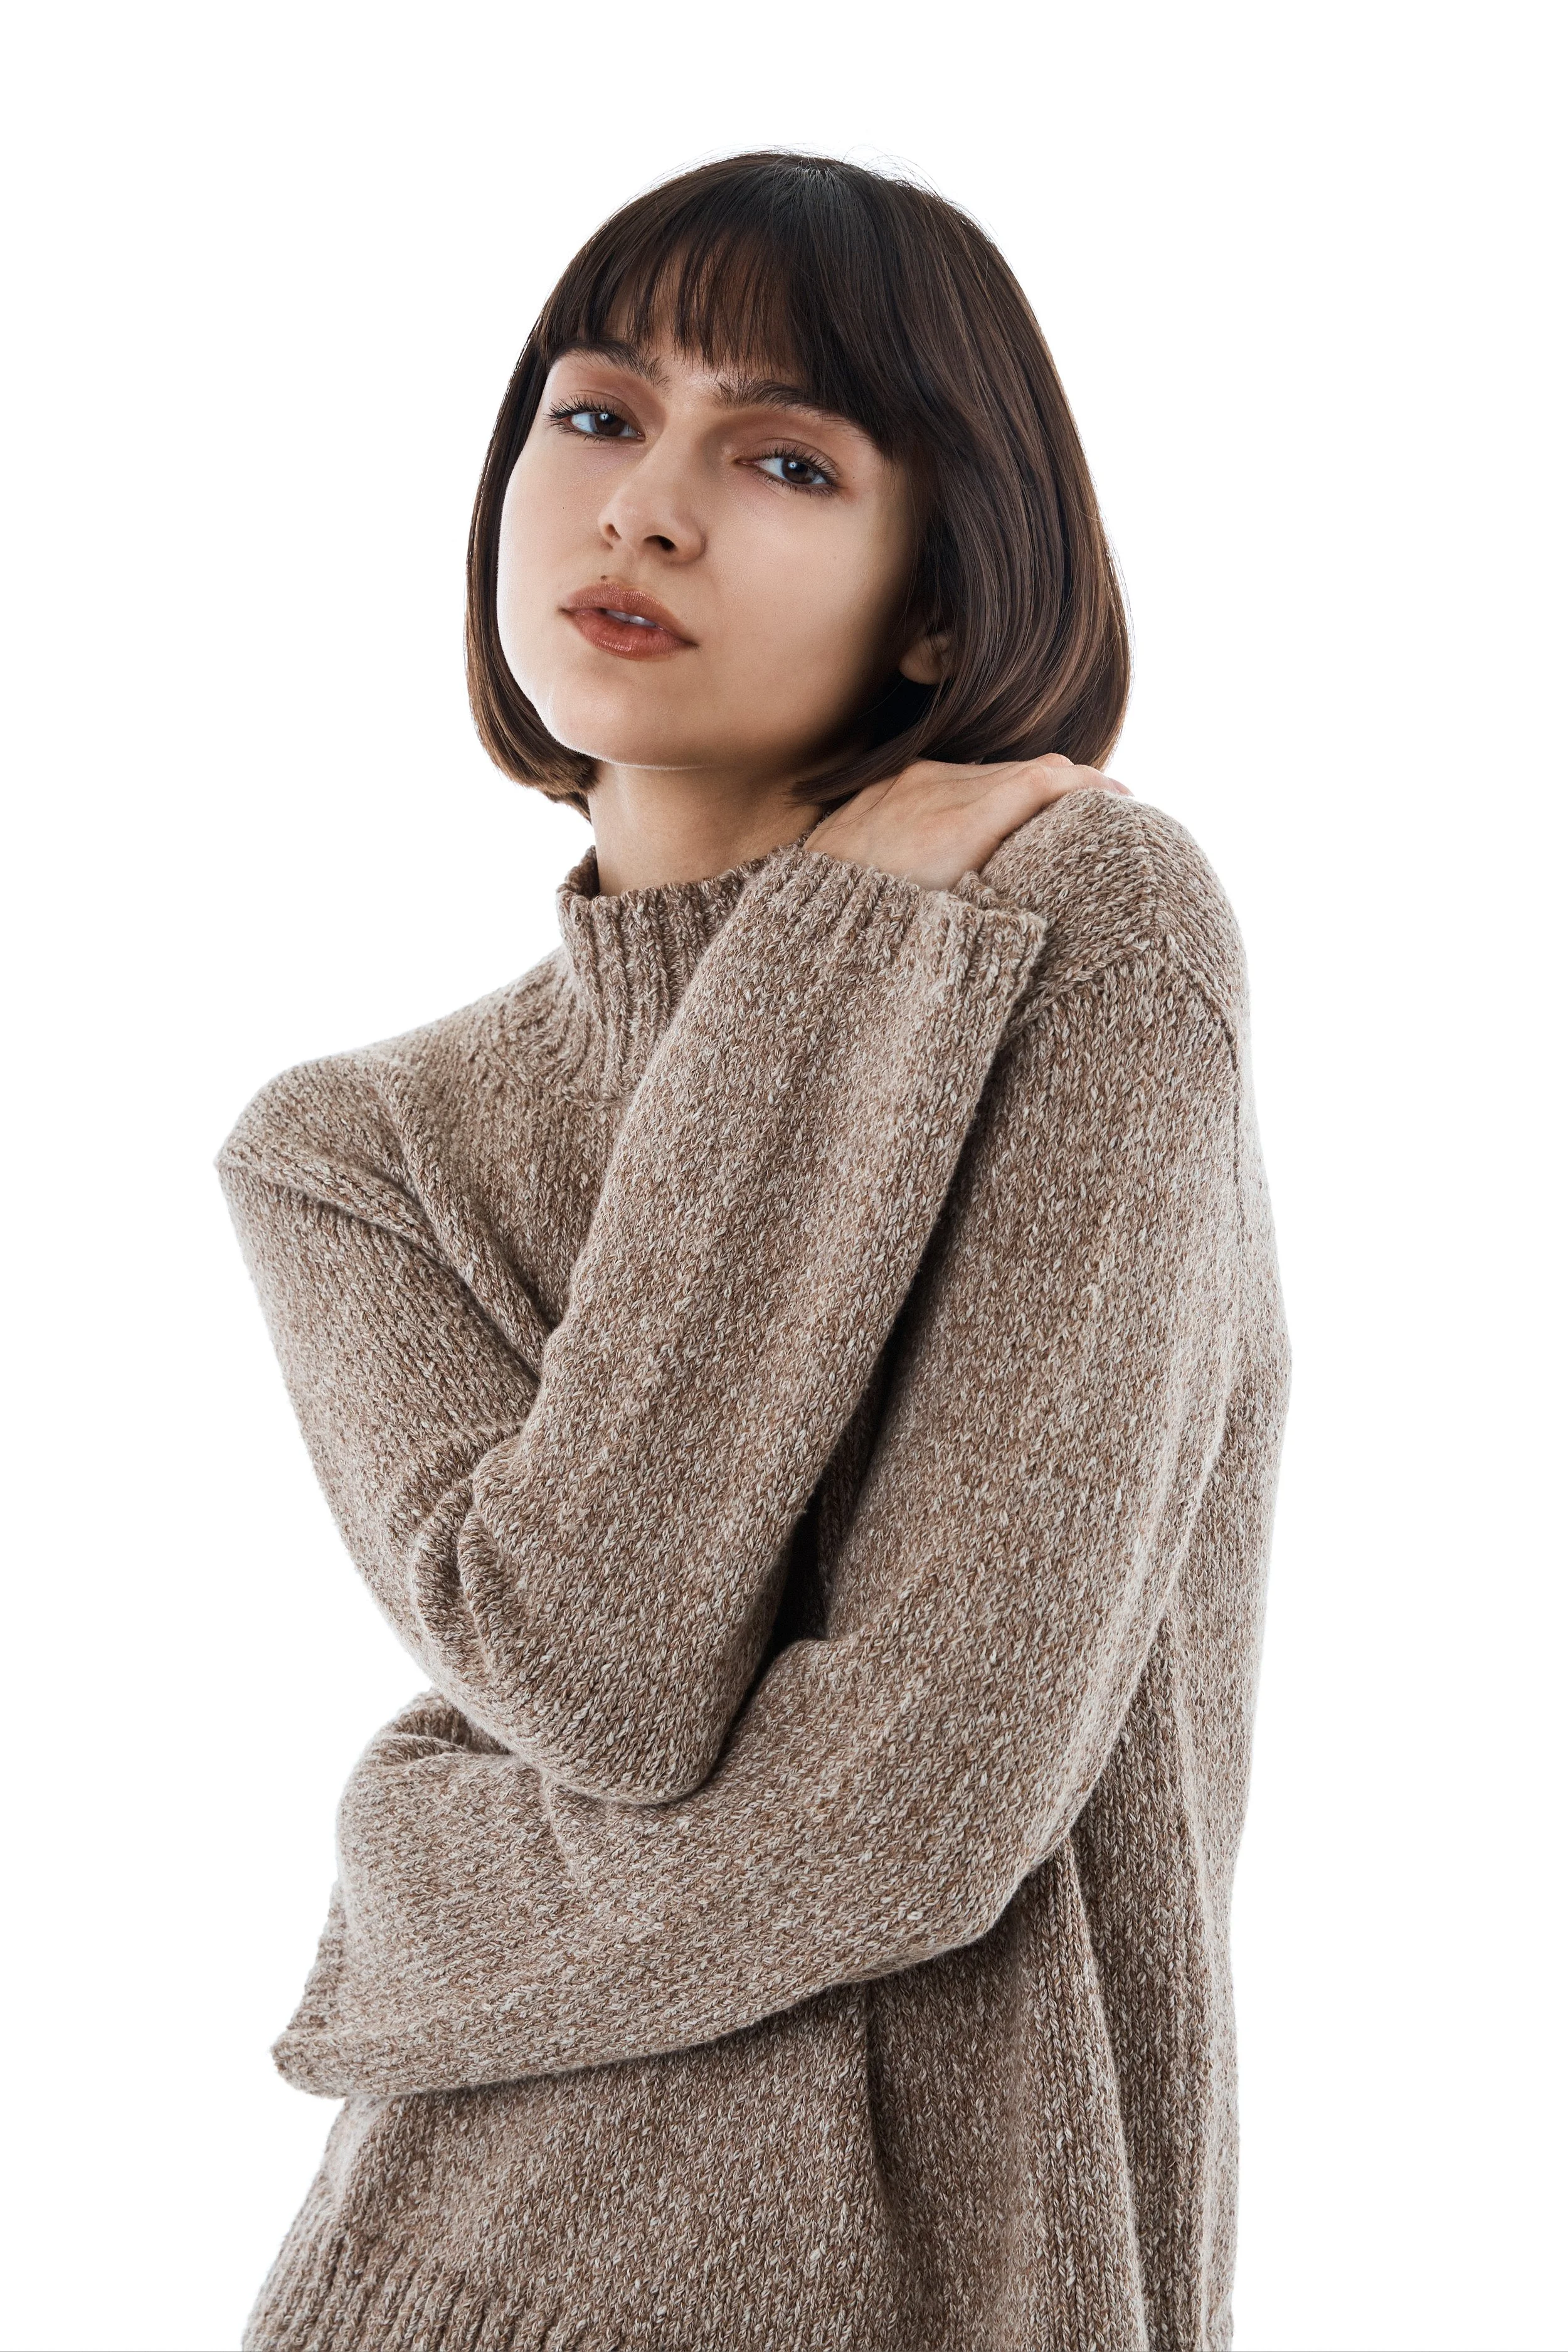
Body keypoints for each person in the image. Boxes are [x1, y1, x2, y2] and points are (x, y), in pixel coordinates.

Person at [218, 149, 1289, 2352]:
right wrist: (825, 961)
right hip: (421, 2281)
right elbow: (602, 1649)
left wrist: (408, 1899)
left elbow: (916, 1808)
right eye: (596, 416)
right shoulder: (351, 1151)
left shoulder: (1079, 934)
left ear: (934, 586)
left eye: (782, 453)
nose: (645, 507)